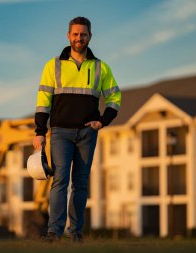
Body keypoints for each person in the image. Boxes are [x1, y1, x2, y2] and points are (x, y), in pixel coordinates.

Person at [32, 16, 121, 242]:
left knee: (80, 183)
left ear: (90, 36)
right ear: (68, 36)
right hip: (60, 132)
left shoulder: (101, 67)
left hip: (87, 134)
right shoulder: (53, 66)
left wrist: (102, 121)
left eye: (83, 34)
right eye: (75, 34)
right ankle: (54, 232)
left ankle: (76, 233)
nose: (79, 38)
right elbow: (43, 100)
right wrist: (40, 131)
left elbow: (114, 97)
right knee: (60, 180)